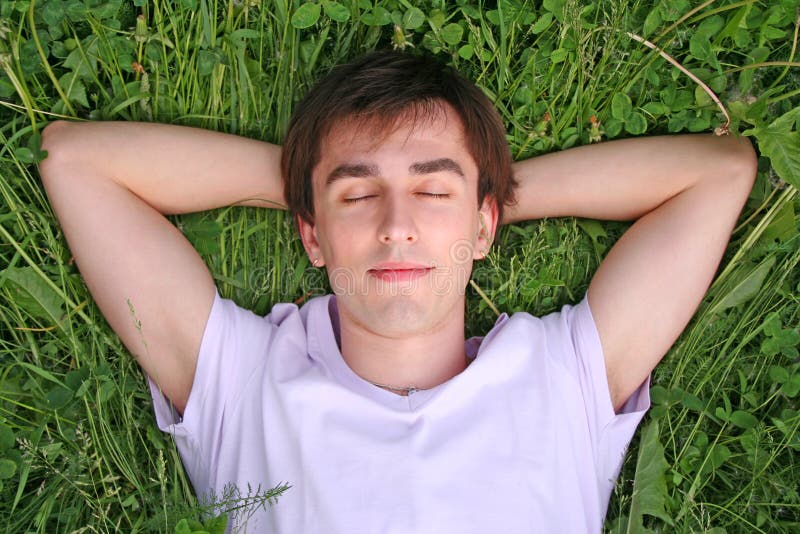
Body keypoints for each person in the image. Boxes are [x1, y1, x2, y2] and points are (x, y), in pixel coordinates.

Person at [38, 51, 756, 532]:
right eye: (360, 197)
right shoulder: (242, 384)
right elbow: (73, 161)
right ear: (310, 237)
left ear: (485, 227)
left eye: (432, 190)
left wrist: (482, 194)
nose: (397, 227)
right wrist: (320, 189)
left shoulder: (564, 377)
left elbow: (719, 172)